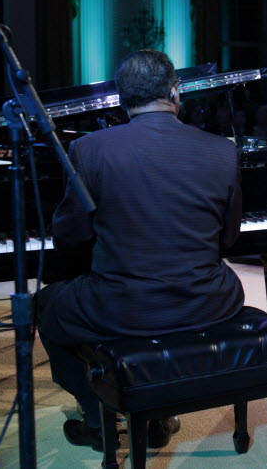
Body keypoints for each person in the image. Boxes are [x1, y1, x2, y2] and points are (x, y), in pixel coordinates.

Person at [36, 50, 244, 451]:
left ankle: (97, 418)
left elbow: (69, 237)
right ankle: (159, 413)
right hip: (207, 301)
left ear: (120, 99)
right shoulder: (222, 149)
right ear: (175, 91)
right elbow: (229, 238)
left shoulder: (89, 150)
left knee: (45, 305)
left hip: (123, 304)